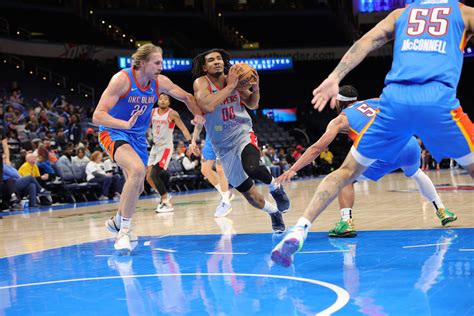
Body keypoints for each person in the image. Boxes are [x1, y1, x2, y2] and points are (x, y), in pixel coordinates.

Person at [271, 0, 474, 266]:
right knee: (423, 171)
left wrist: (334, 77)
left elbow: (365, 43)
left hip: (395, 103)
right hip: (435, 104)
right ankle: (440, 209)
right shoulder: (464, 12)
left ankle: (300, 228)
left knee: (344, 175)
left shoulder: (401, 14)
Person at [276, 85, 457, 240]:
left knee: (345, 178)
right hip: (409, 144)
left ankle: (346, 222)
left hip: (384, 150)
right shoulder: (375, 101)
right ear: (356, 99)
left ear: (339, 103)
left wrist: (293, 169)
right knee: (417, 172)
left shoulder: (340, 119)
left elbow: (316, 149)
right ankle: (442, 210)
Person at [93, 43, 203, 253]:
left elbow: (187, 97)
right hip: (114, 131)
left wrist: (198, 114)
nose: (161, 66)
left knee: (139, 186)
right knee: (137, 170)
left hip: (137, 137)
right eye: (157, 62)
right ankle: (124, 232)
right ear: (143, 63)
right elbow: (98, 115)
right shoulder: (122, 80)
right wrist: (124, 124)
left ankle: (117, 221)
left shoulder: (159, 82)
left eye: (162, 62)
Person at [192, 48, 290, 233]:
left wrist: (256, 88)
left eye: (219, 58)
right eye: (211, 60)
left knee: (252, 167)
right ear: (204, 67)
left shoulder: (234, 78)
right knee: (251, 197)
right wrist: (230, 86)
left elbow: (253, 104)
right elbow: (207, 105)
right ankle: (274, 212)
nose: (217, 62)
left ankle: (276, 188)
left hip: (242, 133)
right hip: (222, 146)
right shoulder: (201, 83)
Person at [145, 93, 193, 213]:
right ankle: (164, 196)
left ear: (169, 102)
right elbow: (145, 126)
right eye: (160, 99)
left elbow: (182, 128)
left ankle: (166, 201)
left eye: (165, 99)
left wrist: (190, 143)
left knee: (154, 175)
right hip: (155, 148)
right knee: (148, 178)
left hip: (165, 148)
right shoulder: (152, 112)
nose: (162, 101)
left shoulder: (172, 114)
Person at [198, 133, 235, 218]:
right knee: (205, 170)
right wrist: (192, 141)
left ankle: (226, 202)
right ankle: (226, 193)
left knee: (220, 169)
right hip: (209, 138)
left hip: (223, 137)